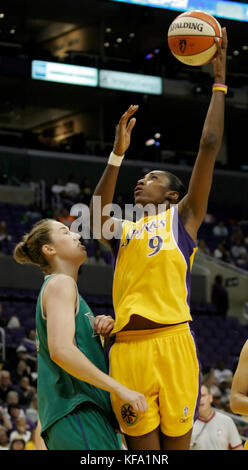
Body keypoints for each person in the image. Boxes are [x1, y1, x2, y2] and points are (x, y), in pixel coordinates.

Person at [90, 29, 228, 450]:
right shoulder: (126, 229)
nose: (140, 181)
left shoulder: (182, 217)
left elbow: (207, 145)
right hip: (128, 349)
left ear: (171, 193)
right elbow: (95, 216)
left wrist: (219, 80)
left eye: (151, 178)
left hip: (174, 344)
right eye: (140, 176)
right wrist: (117, 155)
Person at [13, 218, 147, 450]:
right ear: (49, 249)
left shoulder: (67, 291)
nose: (77, 236)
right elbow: (62, 351)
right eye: (66, 232)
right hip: (78, 410)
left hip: (85, 412)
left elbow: (73, 350)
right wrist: (119, 388)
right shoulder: (60, 284)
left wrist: (104, 339)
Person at [190, 384, 242, 450]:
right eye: (197, 396)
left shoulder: (226, 420)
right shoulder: (188, 425)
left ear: (210, 398)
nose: (200, 399)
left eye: (203, 395)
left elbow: (238, 448)